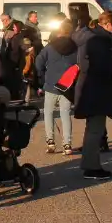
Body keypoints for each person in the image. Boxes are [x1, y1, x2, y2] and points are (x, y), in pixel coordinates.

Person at [73, 10, 112, 180]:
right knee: (95, 130)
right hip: (96, 90)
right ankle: (91, 167)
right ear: (108, 24)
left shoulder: (88, 36)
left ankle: (90, 164)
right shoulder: (101, 40)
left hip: (88, 89)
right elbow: (102, 66)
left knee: (93, 129)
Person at [35, 21, 78, 154]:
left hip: (50, 85)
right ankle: (67, 144)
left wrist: (42, 78)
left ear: (59, 31)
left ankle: (50, 142)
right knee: (65, 115)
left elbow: (38, 62)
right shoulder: (76, 47)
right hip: (67, 86)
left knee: (48, 114)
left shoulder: (50, 47)